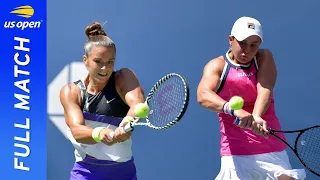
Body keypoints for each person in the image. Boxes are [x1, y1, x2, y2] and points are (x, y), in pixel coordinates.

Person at [197, 16, 306, 180]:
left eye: (254, 44)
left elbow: (265, 89)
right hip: (235, 153)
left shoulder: (264, 57)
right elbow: (203, 95)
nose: (247, 50)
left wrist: (256, 116)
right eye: (242, 43)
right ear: (231, 40)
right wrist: (234, 110)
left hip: (272, 149)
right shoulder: (217, 65)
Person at [60, 22, 145, 180]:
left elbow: (138, 105)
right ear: (85, 60)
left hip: (123, 173)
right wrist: (100, 133)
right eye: (98, 61)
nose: (105, 69)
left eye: (110, 62)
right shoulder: (72, 92)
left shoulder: (123, 78)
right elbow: (76, 131)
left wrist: (127, 123)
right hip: (85, 174)